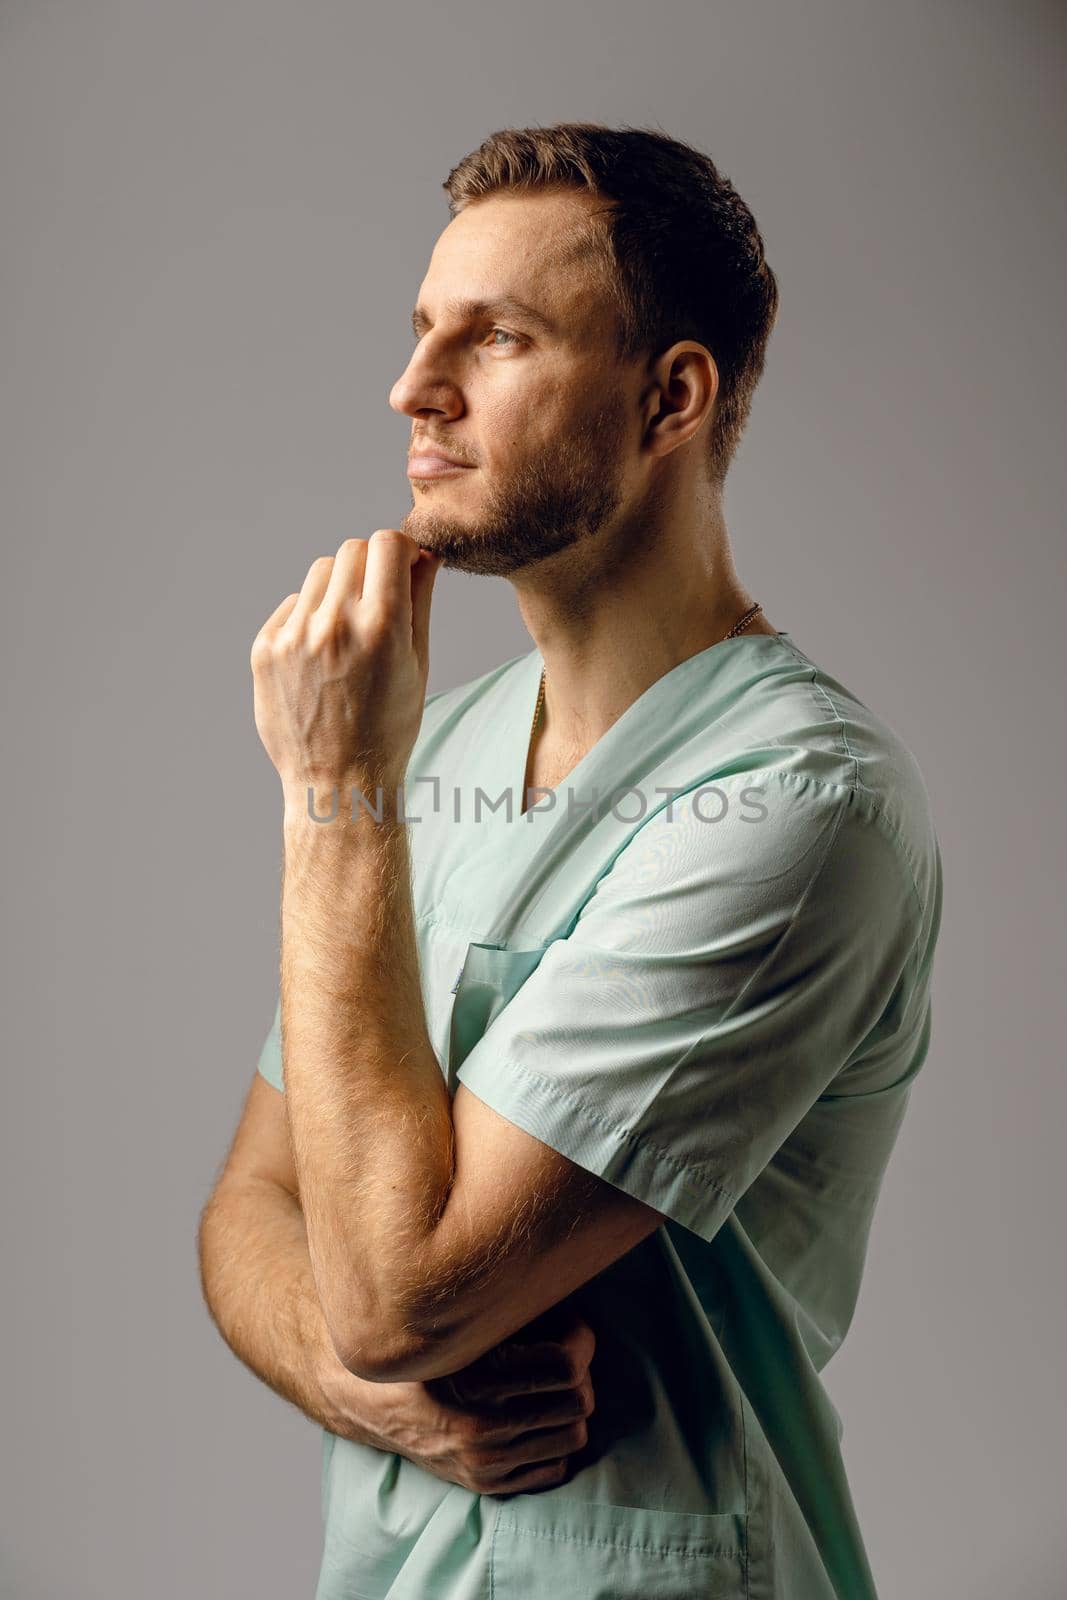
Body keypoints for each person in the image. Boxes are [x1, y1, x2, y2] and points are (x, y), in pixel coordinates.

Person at [200, 122, 943, 1599]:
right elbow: (250, 1210)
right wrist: (365, 1396)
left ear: (671, 396)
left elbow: (401, 1296)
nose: (414, 389)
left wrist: (335, 796)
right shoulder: (439, 740)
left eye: (501, 339)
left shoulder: (800, 806)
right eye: (425, 333)